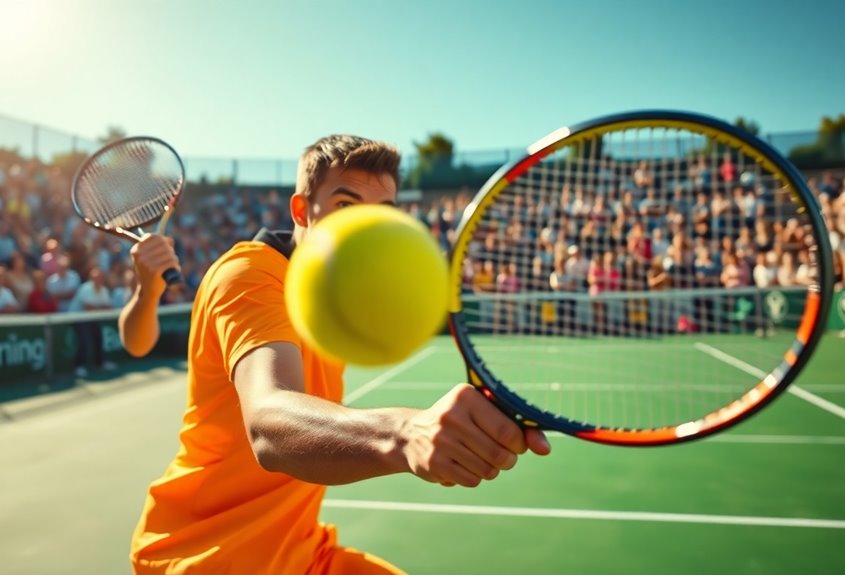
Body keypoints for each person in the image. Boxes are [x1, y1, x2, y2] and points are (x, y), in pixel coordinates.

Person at [127, 135, 550, 575]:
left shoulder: (334, 288)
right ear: (301, 210)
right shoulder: (248, 274)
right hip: (207, 555)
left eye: (379, 214)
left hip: (300, 551)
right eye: (346, 206)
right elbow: (269, 421)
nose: (362, 228)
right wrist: (404, 433)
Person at [69, 267, 116, 377]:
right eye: (95, 278)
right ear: (91, 279)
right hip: (78, 318)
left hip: (92, 318)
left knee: (98, 338)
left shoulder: (103, 290)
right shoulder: (86, 289)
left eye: (100, 277)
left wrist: (97, 307)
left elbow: (109, 307)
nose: (98, 279)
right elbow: (88, 308)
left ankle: (100, 363)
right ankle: (78, 366)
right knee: (84, 341)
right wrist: (101, 307)